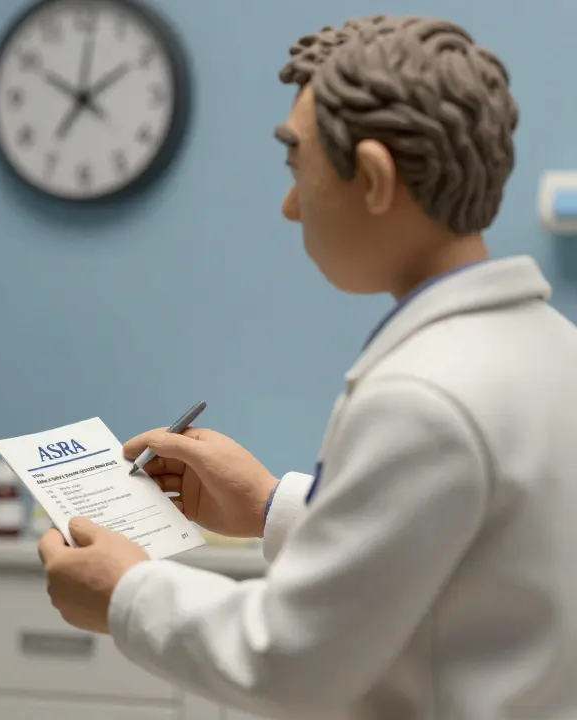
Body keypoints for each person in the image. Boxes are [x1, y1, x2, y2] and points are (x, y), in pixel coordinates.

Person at [38, 14, 577, 720]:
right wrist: (269, 504)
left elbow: (290, 660)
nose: (291, 206)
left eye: (298, 166)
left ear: (376, 179)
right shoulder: (551, 347)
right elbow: (455, 559)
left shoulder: (424, 396)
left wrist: (125, 593)